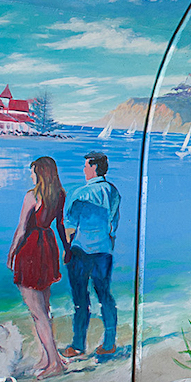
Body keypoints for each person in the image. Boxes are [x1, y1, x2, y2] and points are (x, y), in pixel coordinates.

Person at [7, 155, 67, 379]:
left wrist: (12, 252)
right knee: (45, 308)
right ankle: (48, 357)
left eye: (33, 171)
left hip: (32, 249)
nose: (30, 175)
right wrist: (66, 248)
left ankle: (55, 364)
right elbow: (60, 224)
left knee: (37, 312)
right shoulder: (59, 195)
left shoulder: (31, 196)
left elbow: (22, 229)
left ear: (40, 173)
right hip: (48, 247)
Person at [61, 150, 121, 361]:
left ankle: (78, 345)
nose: (83, 169)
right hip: (104, 251)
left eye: (86, 165)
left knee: (80, 299)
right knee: (105, 296)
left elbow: (70, 225)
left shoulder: (79, 194)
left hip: (81, 251)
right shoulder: (113, 192)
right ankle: (109, 343)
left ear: (94, 167)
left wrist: (67, 248)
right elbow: (113, 224)